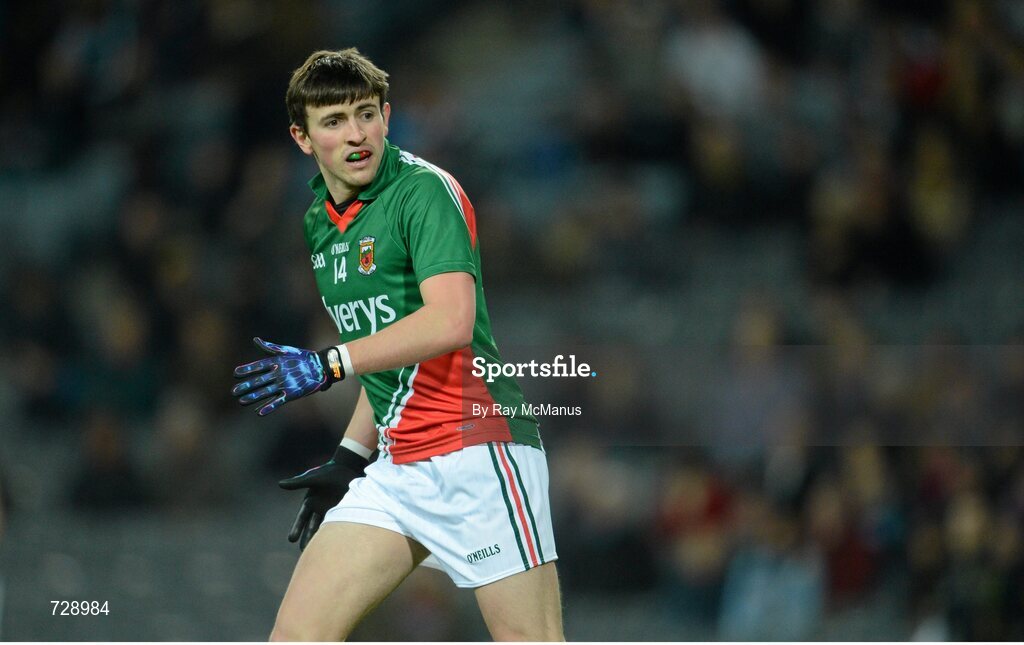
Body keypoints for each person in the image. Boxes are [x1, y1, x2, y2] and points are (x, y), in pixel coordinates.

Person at [231, 48, 563, 641]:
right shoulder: (318, 223)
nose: (356, 134)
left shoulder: (424, 192)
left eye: (366, 114)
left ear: (387, 115)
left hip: (478, 451)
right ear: (302, 138)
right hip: (398, 466)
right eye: (333, 121)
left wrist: (331, 363)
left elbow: (449, 322)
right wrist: (350, 456)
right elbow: (387, 350)